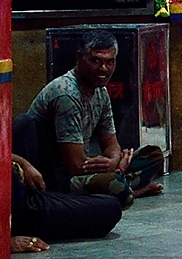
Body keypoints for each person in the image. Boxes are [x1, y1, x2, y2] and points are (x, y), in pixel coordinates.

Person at [25, 31, 164, 205]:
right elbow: (75, 166)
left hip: (87, 167)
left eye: (109, 62)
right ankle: (130, 191)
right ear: (79, 58)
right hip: (57, 177)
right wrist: (118, 168)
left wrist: (113, 162)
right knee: (114, 184)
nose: (103, 68)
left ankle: (121, 186)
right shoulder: (66, 94)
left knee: (154, 156)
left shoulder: (101, 91)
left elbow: (111, 144)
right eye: (95, 61)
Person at [10, 115, 122, 253]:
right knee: (111, 206)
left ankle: (53, 197)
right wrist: (6, 241)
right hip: (21, 206)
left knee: (28, 122)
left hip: (26, 184)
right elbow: (77, 165)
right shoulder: (67, 102)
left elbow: (112, 145)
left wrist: (24, 164)